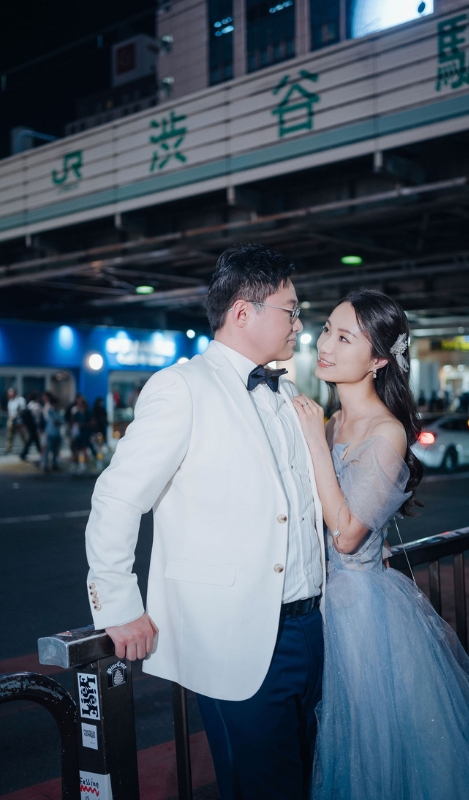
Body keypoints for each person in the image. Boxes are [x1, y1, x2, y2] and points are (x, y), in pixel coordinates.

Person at [288, 291, 469, 798]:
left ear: (379, 360)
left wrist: (310, 440)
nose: (324, 344)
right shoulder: (333, 422)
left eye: (344, 337)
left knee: (370, 752)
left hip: (359, 612)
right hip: (316, 601)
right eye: (326, 329)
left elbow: (346, 534)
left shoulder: (386, 433)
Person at [85, 245, 325, 798]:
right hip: (238, 634)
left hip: (312, 628)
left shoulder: (287, 390)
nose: (299, 322)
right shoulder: (182, 387)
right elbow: (117, 497)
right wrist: (120, 606)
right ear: (244, 312)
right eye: (291, 310)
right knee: (263, 786)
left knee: (311, 776)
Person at [41, 394, 64, 472]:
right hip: (50, 433)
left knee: (55, 450)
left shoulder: (58, 411)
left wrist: (58, 422)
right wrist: (58, 422)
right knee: (47, 450)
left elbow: (61, 422)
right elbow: (55, 422)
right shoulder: (49, 411)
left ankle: (54, 464)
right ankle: (45, 465)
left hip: (56, 433)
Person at [18, 392, 41, 461]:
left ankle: (24, 453)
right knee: (34, 439)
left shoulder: (29, 405)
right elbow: (37, 417)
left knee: (32, 439)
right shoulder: (36, 406)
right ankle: (40, 453)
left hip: (29, 425)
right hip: (34, 425)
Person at [5, 387, 26, 454]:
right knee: (10, 436)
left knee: (22, 436)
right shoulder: (10, 401)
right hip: (12, 421)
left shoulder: (20, 400)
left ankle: (26, 448)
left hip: (19, 422)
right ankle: (8, 449)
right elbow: (10, 412)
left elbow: (23, 410)